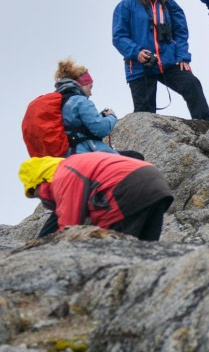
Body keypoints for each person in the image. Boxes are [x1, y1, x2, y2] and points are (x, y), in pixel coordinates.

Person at [112, 0, 209, 120]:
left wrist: (182, 56)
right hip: (139, 67)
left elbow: (181, 31)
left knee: (192, 84)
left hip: (168, 62)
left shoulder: (168, 3)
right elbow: (118, 36)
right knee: (145, 117)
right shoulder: (126, 6)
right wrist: (137, 52)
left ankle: (208, 127)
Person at [20, 152, 174, 241]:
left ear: (41, 183)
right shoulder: (76, 163)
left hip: (127, 191)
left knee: (113, 251)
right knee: (147, 249)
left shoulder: (63, 175)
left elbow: (70, 225)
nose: (40, 199)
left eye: (36, 194)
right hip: (156, 184)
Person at [52, 59, 119, 154]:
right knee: (135, 157)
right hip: (85, 151)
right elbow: (100, 129)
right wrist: (111, 116)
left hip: (67, 153)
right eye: (90, 87)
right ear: (81, 85)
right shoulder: (81, 101)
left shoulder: (60, 101)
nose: (91, 93)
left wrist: (100, 116)